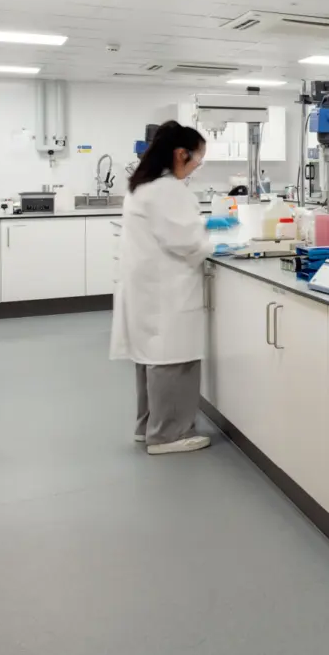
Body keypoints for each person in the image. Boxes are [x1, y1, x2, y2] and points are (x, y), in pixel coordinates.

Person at [109, 120, 228, 455]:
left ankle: (148, 426)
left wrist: (201, 226)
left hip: (148, 289)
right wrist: (214, 241)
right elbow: (188, 241)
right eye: (196, 162)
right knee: (174, 361)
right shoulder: (168, 189)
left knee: (152, 359)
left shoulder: (144, 185)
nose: (195, 169)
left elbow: (172, 228)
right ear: (181, 154)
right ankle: (169, 435)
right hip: (167, 291)